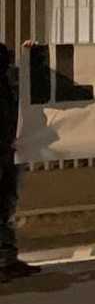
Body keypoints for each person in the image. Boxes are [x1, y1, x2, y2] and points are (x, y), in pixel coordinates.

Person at [1, 42, 40, 283]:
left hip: (11, 150)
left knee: (6, 206)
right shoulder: (9, 80)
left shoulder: (11, 80)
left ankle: (7, 260)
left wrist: (32, 56)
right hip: (7, 149)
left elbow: (33, 81)